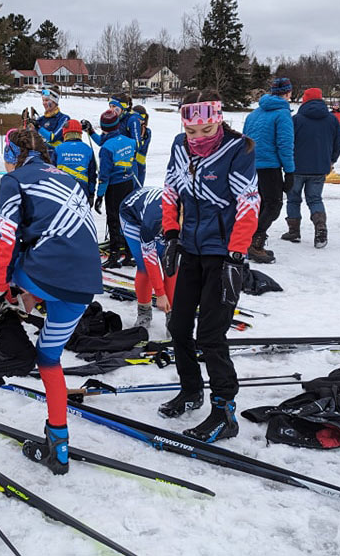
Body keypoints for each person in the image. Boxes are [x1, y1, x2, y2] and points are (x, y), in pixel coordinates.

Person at [0, 128, 102, 474]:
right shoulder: (70, 179)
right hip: (84, 285)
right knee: (49, 358)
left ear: (10, 155)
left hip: (47, 275)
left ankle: (7, 311)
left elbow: (5, 240)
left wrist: (1, 289)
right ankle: (58, 445)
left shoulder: (14, 180)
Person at [161, 89, 259, 443]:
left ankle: (224, 410)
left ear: (218, 120)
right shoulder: (178, 146)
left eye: (206, 130)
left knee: (211, 335)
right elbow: (171, 190)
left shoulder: (239, 150)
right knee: (179, 325)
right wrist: (170, 234)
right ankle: (191, 390)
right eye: (192, 132)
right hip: (191, 248)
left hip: (222, 254)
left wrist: (236, 256)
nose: (198, 138)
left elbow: (249, 202)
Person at [281, 88, 340, 248]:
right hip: (319, 167)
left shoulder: (296, 120)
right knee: (315, 199)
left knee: (293, 199)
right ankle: (320, 228)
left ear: (305, 100)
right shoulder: (331, 120)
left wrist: (286, 161)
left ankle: (294, 232)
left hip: (296, 167)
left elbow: (287, 142)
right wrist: (331, 160)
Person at [241, 77, 295, 263]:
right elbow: (285, 145)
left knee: (258, 205)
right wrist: (290, 171)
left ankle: (247, 240)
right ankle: (255, 243)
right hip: (270, 166)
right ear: (288, 93)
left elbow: (244, 140)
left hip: (251, 166)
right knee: (273, 205)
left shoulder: (253, 114)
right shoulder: (282, 114)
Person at [119, 186, 175, 333]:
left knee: (171, 266)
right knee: (144, 267)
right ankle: (144, 312)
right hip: (132, 216)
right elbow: (150, 259)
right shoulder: (152, 222)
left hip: (158, 214)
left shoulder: (192, 218)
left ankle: (172, 316)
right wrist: (160, 294)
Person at [94, 109, 137, 268]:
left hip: (115, 186)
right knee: (127, 218)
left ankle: (114, 256)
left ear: (103, 127)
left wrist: (99, 196)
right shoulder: (129, 141)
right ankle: (129, 253)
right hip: (128, 183)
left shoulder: (106, 148)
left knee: (113, 219)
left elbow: (104, 176)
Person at [54, 119, 96, 204]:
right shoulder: (87, 149)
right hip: (82, 191)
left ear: (65, 133)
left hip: (62, 191)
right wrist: (91, 194)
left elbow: (52, 171)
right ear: (80, 134)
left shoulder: (58, 149)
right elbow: (92, 174)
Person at [132, 105, 151, 187]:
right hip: (131, 164)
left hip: (140, 165)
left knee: (138, 187)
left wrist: (142, 136)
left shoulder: (147, 132)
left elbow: (140, 146)